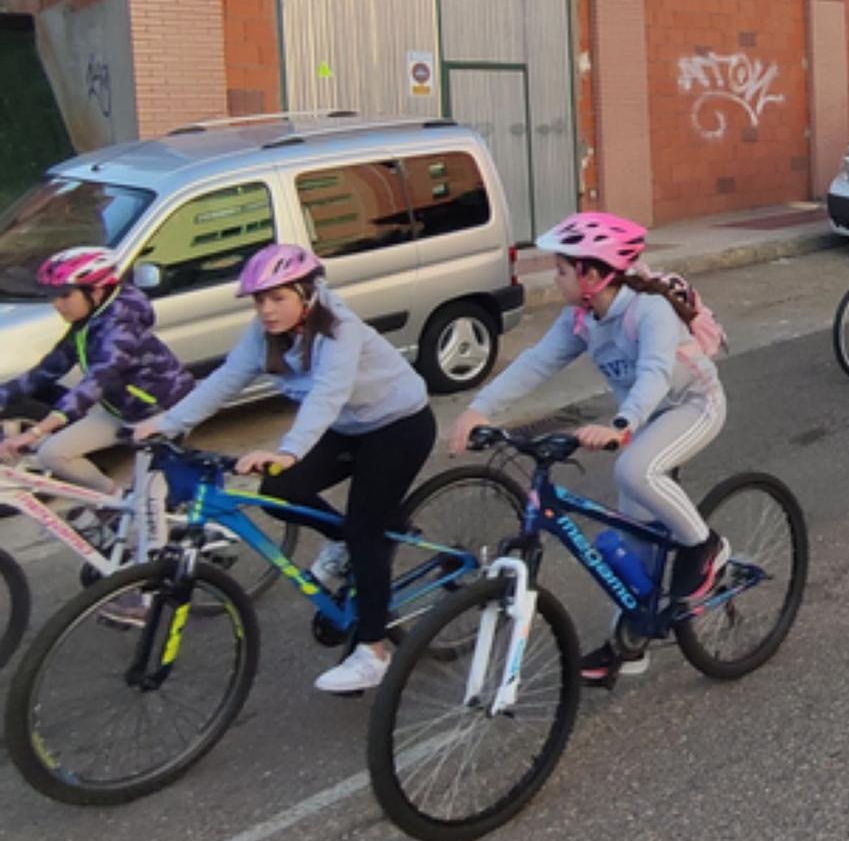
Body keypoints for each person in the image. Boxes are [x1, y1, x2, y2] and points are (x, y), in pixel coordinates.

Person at [134, 245, 435, 695]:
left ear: (307, 293)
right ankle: (345, 542)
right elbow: (225, 379)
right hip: (345, 426)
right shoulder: (265, 333)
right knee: (280, 490)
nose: (266, 310)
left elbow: (327, 395)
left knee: (366, 530)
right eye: (259, 300)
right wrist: (170, 423)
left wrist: (290, 449)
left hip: (398, 424)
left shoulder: (339, 328)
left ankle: (374, 650)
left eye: (277, 298)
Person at [449, 212, 728, 688]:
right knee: (633, 537)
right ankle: (630, 642)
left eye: (561, 269)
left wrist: (622, 424)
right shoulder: (582, 317)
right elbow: (537, 363)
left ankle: (706, 547)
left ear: (592, 275)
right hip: (641, 420)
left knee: (634, 470)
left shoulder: (648, 310)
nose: (553, 278)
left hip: (692, 405)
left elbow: (655, 373)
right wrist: (479, 410)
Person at [0, 247, 193, 495]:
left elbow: (95, 383)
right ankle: (114, 502)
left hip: (164, 412)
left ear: (97, 291)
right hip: (122, 411)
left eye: (64, 295)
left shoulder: (120, 327)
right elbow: (47, 371)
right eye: (53, 297)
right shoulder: (88, 321)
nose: (57, 305)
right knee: (53, 454)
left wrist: (35, 432)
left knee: (148, 506)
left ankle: (148, 516)